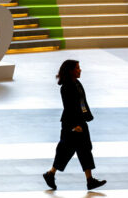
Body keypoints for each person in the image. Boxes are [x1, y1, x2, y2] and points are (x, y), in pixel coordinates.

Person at [43, 60, 106, 191]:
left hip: (80, 121)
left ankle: (89, 180)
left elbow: (82, 102)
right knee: (65, 151)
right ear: (71, 70)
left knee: (84, 150)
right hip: (72, 124)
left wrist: (86, 116)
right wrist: (75, 125)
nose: (80, 70)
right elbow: (69, 107)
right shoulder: (66, 87)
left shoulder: (76, 83)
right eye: (77, 68)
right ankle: (51, 173)